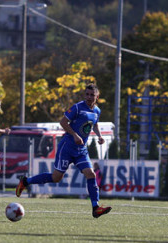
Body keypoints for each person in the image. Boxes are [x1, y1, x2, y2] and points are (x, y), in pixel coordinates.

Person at [15, 83, 112, 219]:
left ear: (97, 96)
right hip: (67, 147)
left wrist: (100, 136)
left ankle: (96, 208)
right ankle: (26, 181)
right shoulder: (77, 107)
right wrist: (75, 135)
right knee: (56, 178)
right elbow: (63, 122)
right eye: (87, 94)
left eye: (92, 95)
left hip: (81, 150)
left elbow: (94, 124)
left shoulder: (97, 111)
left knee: (91, 174)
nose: (89, 97)